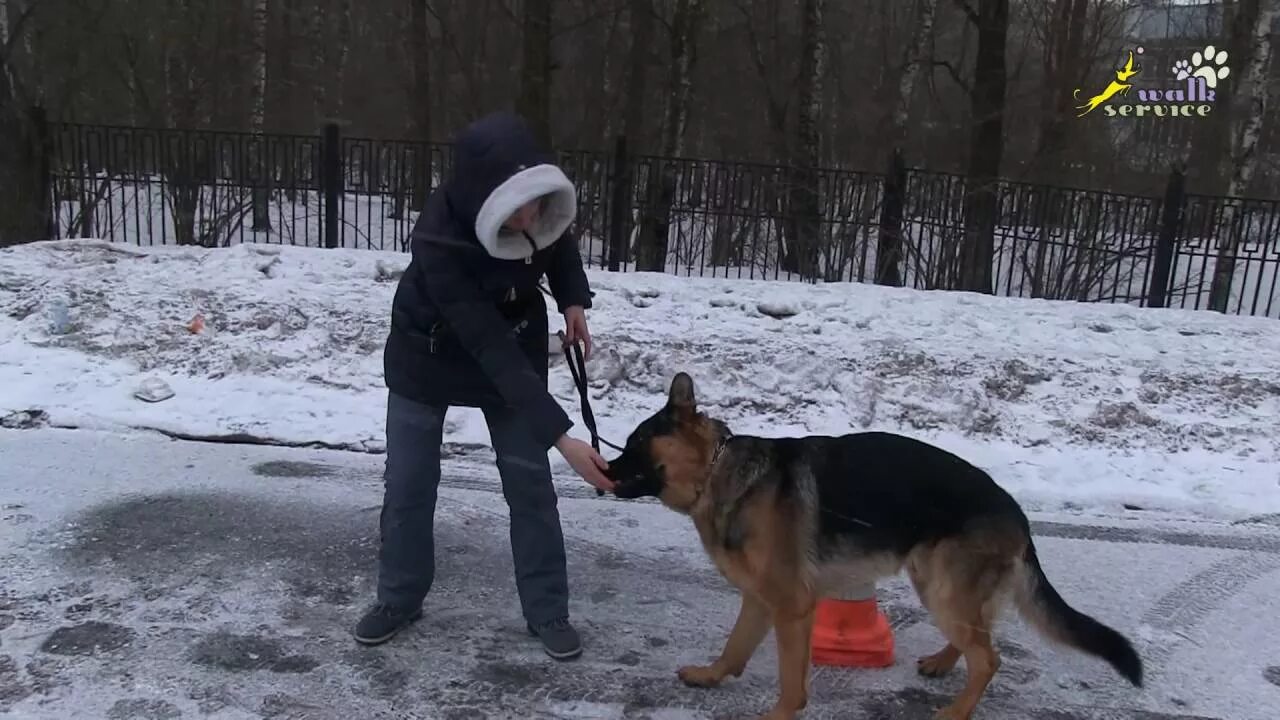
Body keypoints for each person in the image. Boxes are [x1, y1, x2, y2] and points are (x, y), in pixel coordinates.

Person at [354, 111, 614, 661]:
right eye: (515, 208)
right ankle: (399, 597)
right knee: (409, 483)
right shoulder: (439, 241)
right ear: (482, 198)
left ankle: (547, 609)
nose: (528, 218)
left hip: (513, 339)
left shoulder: (537, 210)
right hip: (427, 354)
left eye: (537, 203)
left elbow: (557, 243)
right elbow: (487, 347)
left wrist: (572, 299)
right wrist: (563, 436)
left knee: (530, 485)